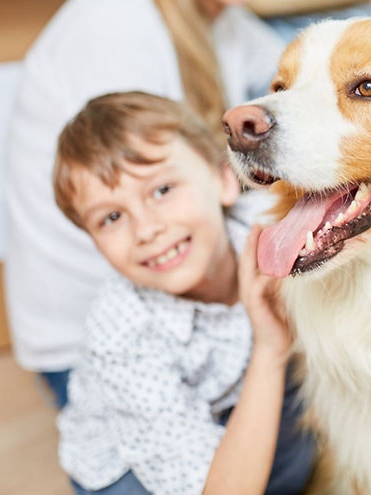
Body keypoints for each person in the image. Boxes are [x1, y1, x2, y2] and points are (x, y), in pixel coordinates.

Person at [4, 0, 303, 405]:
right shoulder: (112, 28)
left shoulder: (225, 23)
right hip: (96, 337)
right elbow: (155, 210)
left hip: (182, 293)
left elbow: (303, 79)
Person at [52, 91, 314, 495]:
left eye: (162, 191)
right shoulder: (120, 331)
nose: (146, 230)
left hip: (229, 399)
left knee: (298, 461)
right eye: (112, 217)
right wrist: (270, 349)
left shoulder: (267, 228)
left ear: (224, 180)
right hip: (129, 463)